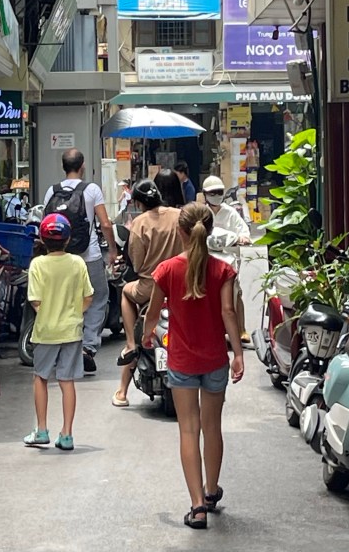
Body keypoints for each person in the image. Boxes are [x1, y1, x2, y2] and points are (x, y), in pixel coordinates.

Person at [143, 202, 244, 530]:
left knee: (189, 429)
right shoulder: (223, 271)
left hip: (183, 361)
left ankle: (197, 506)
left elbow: (153, 313)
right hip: (215, 359)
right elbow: (229, 313)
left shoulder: (167, 270)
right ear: (210, 231)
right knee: (212, 427)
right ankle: (212, 491)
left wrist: (146, 336)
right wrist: (238, 353)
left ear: (181, 232)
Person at [42, 148, 118, 374]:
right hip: (89, 256)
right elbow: (105, 224)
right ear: (82, 165)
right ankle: (87, 347)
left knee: (62, 299)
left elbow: (44, 224)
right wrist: (112, 250)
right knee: (98, 297)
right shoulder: (91, 189)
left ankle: (60, 347)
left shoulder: (51, 191)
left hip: (59, 257)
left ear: (63, 167)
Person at [23, 214, 93, 451]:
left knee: (40, 378)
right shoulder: (77, 263)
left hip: (46, 331)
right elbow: (88, 297)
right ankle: (67, 434)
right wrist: (74, 314)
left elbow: (35, 300)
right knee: (67, 381)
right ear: (68, 238)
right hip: (71, 331)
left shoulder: (37, 265)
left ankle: (41, 430)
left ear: (42, 239)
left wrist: (49, 314)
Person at [113, 179, 183, 408]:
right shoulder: (179, 215)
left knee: (125, 291)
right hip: (179, 286)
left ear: (140, 202)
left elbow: (137, 261)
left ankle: (131, 345)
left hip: (149, 288)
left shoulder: (140, 223)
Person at [201, 175, 252, 344]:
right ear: (205, 194)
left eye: (219, 192)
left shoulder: (230, 212)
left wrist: (243, 238)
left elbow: (244, 231)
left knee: (235, 292)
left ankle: (241, 328)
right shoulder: (202, 213)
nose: (216, 195)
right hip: (207, 258)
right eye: (212, 192)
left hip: (228, 258)